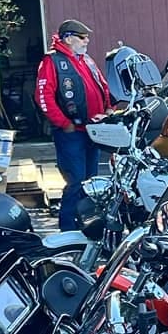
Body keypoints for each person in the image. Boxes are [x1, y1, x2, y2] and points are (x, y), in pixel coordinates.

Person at [35, 17, 112, 232]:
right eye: (82, 37)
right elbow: (43, 96)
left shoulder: (86, 59)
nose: (87, 40)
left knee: (92, 183)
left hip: (93, 131)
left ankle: (87, 226)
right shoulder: (52, 61)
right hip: (71, 133)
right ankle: (68, 230)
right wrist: (63, 122)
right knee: (76, 181)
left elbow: (102, 85)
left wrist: (108, 108)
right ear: (68, 38)